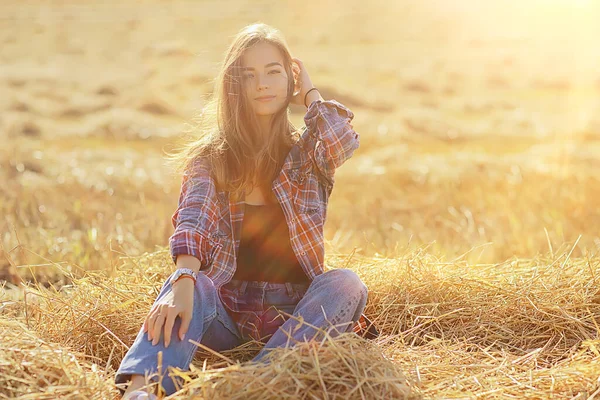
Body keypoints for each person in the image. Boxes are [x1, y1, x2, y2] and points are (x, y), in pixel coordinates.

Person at [114, 22, 379, 399]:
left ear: (290, 78)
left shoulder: (307, 156)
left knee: (346, 284)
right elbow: (194, 217)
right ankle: (141, 390)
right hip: (227, 316)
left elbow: (342, 139)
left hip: (295, 318)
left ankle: (257, 381)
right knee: (190, 284)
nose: (262, 85)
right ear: (234, 85)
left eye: (274, 72)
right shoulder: (212, 157)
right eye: (249, 75)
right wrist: (183, 282)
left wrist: (311, 92)